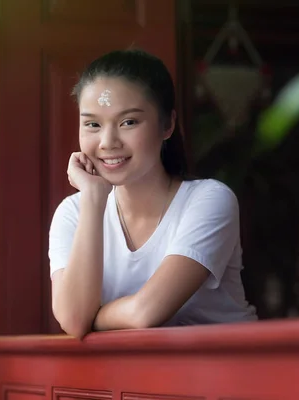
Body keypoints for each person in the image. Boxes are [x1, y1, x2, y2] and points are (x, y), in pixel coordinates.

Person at [49, 49, 257, 339]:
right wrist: (94, 200)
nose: (108, 142)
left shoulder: (208, 200)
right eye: (93, 124)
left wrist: (92, 316)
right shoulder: (72, 213)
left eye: (128, 122)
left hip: (226, 374)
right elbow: (73, 320)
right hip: (129, 381)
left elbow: (146, 312)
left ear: (168, 125)